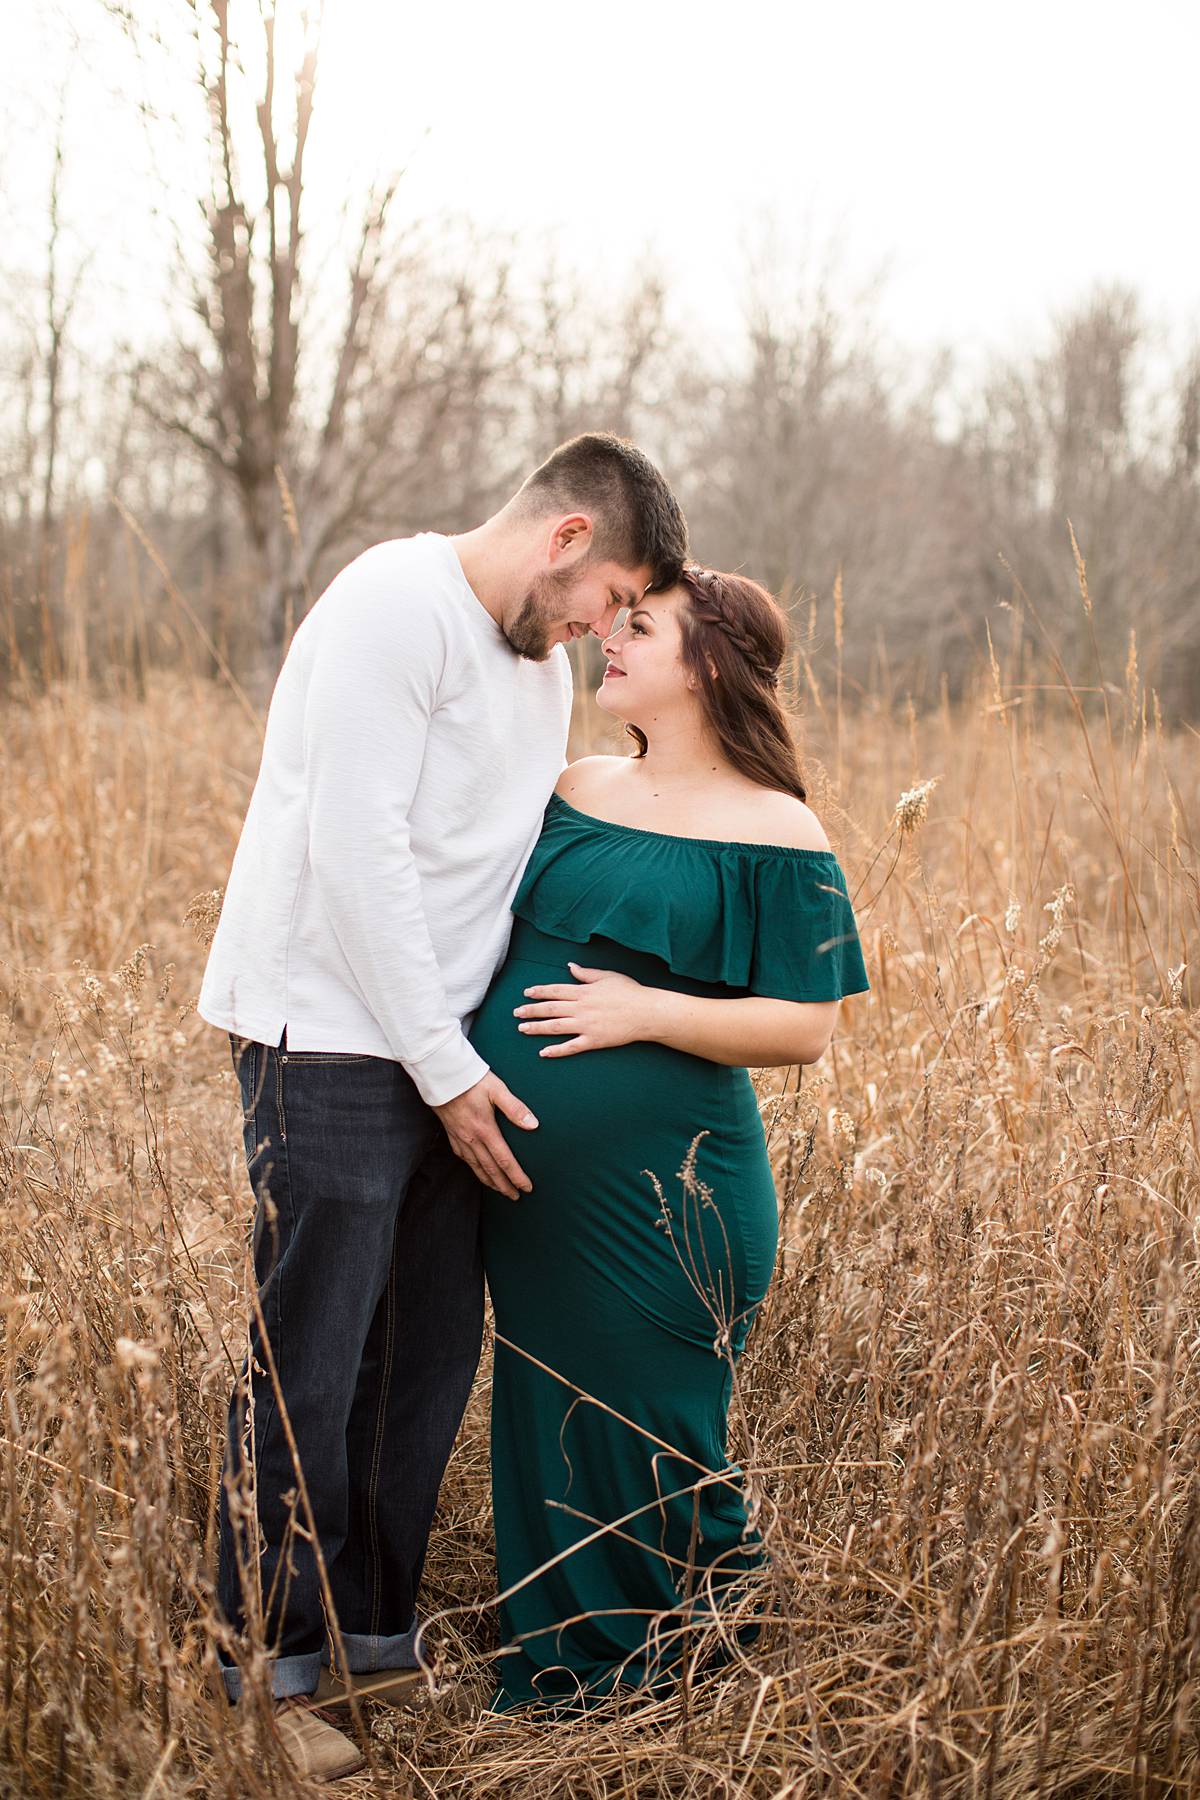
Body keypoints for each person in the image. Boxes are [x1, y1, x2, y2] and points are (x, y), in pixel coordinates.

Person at [197, 433, 688, 1779]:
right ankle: (262, 1672)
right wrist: (445, 1065)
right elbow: (355, 855)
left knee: (425, 1360)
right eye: (612, 603)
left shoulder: (534, 675)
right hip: (331, 1033)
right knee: (315, 1354)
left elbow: (498, 866)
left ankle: (367, 1643)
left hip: (442, 1059)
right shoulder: (390, 606)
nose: (601, 636)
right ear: (568, 541)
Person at [465, 565, 870, 1712]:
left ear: (707, 663)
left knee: (657, 1426)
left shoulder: (776, 825)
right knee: (550, 1412)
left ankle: (712, 1655)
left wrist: (644, 1011)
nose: (612, 638)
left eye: (640, 627)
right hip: (528, 1194)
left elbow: (806, 1028)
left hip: (670, 1200)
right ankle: (564, 1669)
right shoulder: (575, 782)